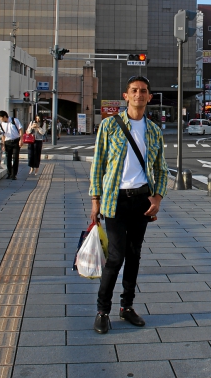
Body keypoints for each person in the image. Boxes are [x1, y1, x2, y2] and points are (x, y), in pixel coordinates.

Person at [89, 75, 167, 334]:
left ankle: (127, 307)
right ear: (126, 96)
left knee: (134, 255)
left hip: (141, 200)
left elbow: (161, 169)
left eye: (143, 91)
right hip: (115, 200)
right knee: (116, 256)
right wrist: (95, 200)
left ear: (149, 97)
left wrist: (157, 197)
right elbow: (98, 163)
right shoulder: (110, 126)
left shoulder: (154, 130)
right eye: (134, 90)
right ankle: (102, 310)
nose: (138, 94)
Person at [0, 111, 23, 180]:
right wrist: (3, 144)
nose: (0, 119)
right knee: (8, 158)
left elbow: (20, 129)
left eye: (1, 118)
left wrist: (21, 139)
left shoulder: (14, 120)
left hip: (16, 141)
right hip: (7, 142)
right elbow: (3, 135)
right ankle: (9, 173)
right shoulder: (2, 124)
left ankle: (14, 174)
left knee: (15, 158)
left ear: (5, 116)